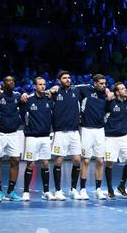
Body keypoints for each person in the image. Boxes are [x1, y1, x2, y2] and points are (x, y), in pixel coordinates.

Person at [49, 70, 83, 200]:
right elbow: (44, 94)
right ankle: (58, 190)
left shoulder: (76, 91)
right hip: (60, 132)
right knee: (59, 160)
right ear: (59, 80)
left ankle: (73, 189)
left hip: (74, 131)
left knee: (77, 160)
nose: (67, 79)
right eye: (64, 78)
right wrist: (51, 90)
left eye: (69, 77)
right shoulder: (55, 92)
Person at [21, 77, 54, 201]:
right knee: (31, 164)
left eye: (44, 84)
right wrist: (23, 95)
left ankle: (46, 192)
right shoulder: (28, 100)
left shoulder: (49, 99)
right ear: (35, 86)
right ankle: (25, 192)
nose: (43, 86)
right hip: (32, 137)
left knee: (45, 163)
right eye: (40, 84)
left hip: (45, 136)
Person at [78, 74, 111, 200]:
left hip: (100, 130)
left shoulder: (106, 94)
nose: (104, 85)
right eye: (101, 83)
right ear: (95, 83)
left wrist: (108, 91)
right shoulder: (85, 89)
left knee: (100, 161)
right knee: (86, 160)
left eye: (105, 83)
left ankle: (98, 189)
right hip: (87, 129)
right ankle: (82, 189)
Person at [104, 82, 127, 199]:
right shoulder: (110, 102)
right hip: (110, 137)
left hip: (124, 136)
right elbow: (104, 92)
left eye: (125, 88)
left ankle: (121, 185)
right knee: (109, 162)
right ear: (117, 92)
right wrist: (108, 92)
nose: (125, 90)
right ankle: (109, 189)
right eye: (122, 89)